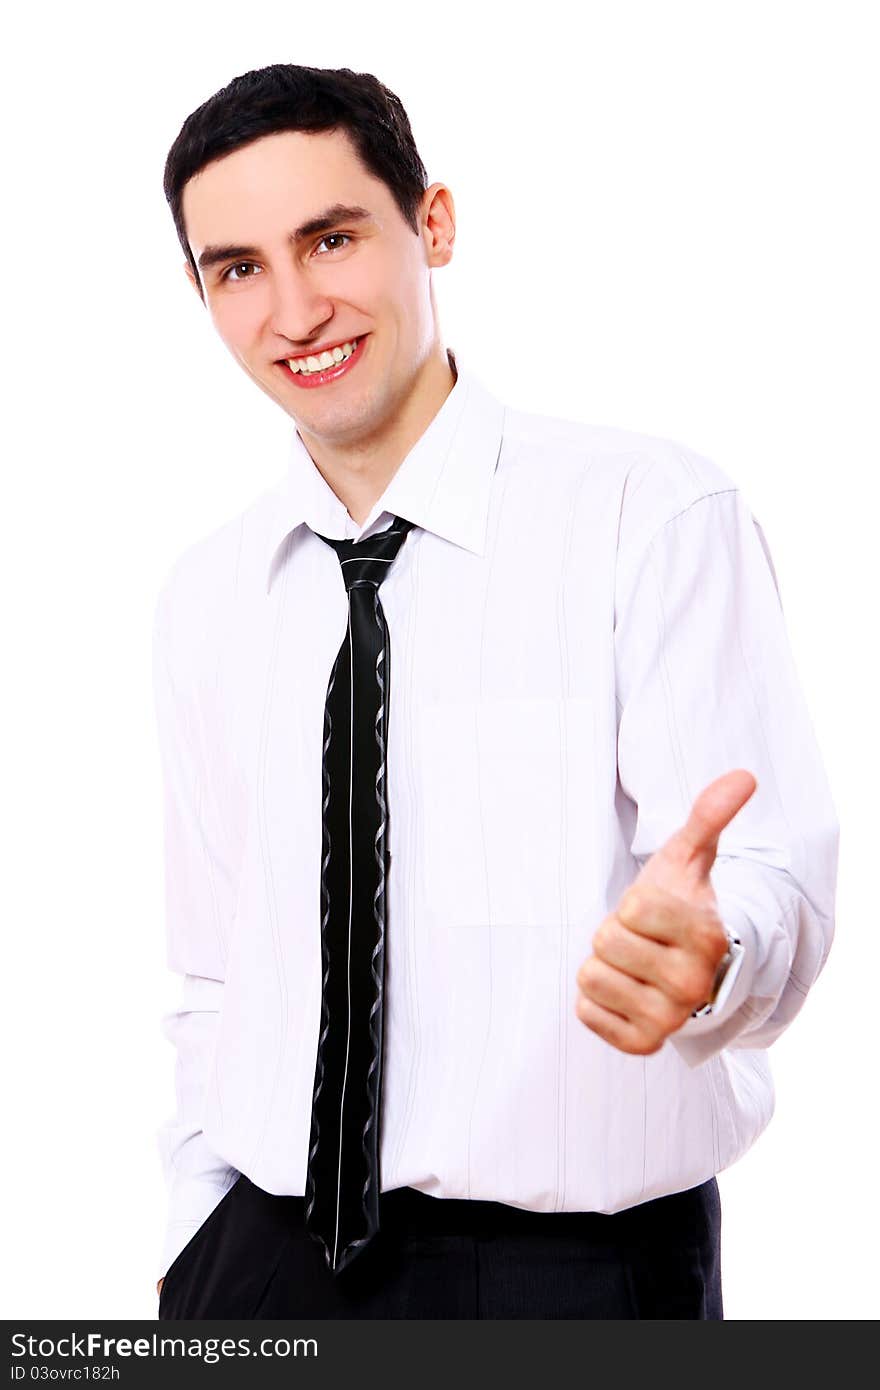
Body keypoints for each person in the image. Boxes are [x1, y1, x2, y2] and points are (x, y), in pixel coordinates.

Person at [151, 63, 838, 1320]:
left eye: (331, 237)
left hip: (567, 1277)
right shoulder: (210, 592)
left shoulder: (649, 514)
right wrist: (201, 1233)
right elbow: (210, 965)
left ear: (434, 226)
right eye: (238, 268)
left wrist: (715, 953)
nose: (295, 308)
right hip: (259, 1261)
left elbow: (767, 883)